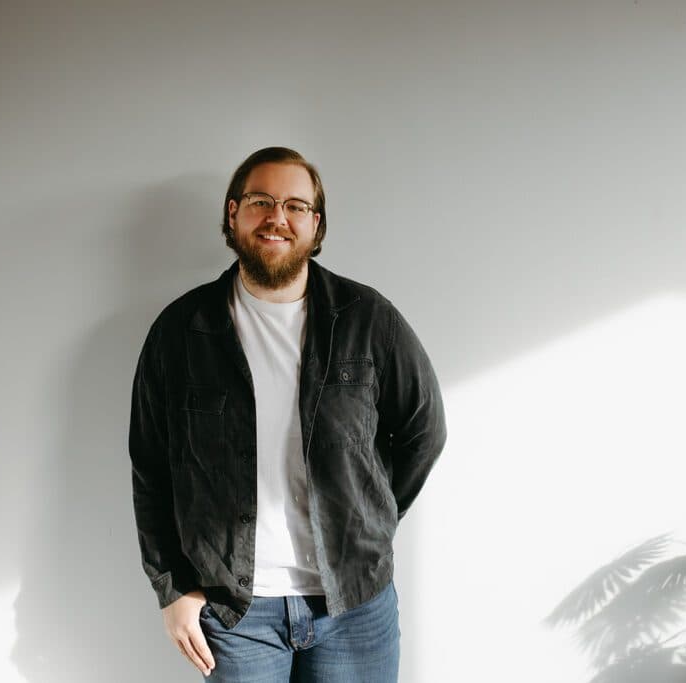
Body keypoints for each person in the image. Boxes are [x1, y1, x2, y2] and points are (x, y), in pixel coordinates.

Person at [129, 146, 447, 682]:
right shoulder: (180, 332)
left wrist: (368, 518)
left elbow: (424, 431)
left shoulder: (369, 320)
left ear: (315, 224)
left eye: (296, 206)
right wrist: (173, 586)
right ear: (233, 213)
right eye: (261, 201)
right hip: (235, 612)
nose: (277, 217)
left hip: (355, 606)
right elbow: (151, 466)